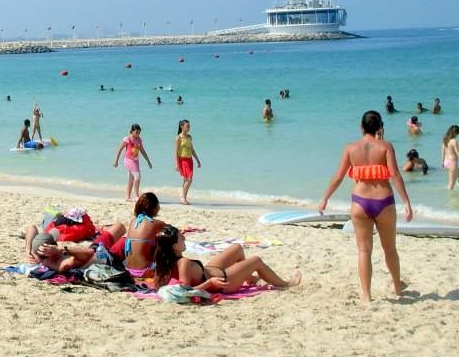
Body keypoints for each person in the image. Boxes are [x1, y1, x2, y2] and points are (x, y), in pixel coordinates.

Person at [319, 110, 412, 301]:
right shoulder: (386, 146)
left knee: (363, 251)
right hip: (384, 202)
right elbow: (395, 175)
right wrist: (406, 202)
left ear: (361, 127)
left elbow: (338, 176)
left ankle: (366, 295)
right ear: (380, 127)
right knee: (390, 249)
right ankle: (397, 286)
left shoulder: (350, 148)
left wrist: (325, 198)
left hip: (360, 203)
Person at [153, 224, 301, 293]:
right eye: (181, 238)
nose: (184, 238)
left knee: (237, 248)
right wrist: (210, 283)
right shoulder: (183, 263)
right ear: (174, 246)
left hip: (209, 270)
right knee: (256, 260)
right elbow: (186, 291)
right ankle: (286, 284)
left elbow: (159, 284)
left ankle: (250, 278)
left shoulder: (165, 261)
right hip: (223, 281)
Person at [112, 124, 153, 201]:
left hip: (136, 161)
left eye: (139, 132)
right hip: (128, 160)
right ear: (132, 131)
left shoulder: (139, 140)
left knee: (131, 178)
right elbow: (119, 149)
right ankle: (137, 196)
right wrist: (116, 161)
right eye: (137, 132)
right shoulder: (127, 139)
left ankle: (128, 197)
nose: (138, 134)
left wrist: (148, 161)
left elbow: (142, 151)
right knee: (137, 176)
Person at [175, 119, 201, 205]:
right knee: (189, 179)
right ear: (182, 127)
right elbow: (176, 152)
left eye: (189, 126)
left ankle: (183, 198)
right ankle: (183, 197)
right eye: (187, 126)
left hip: (190, 160)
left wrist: (197, 160)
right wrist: (176, 164)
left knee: (186, 179)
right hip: (182, 160)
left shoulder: (189, 137)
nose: (189, 128)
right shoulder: (179, 138)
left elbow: (192, 149)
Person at [442, 125, 459, 190]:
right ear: (455, 133)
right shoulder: (454, 141)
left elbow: (443, 151)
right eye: (457, 133)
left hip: (446, 162)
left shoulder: (445, 139)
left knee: (453, 179)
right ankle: (449, 196)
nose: (457, 135)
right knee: (451, 184)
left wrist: (442, 162)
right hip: (452, 162)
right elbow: (457, 153)